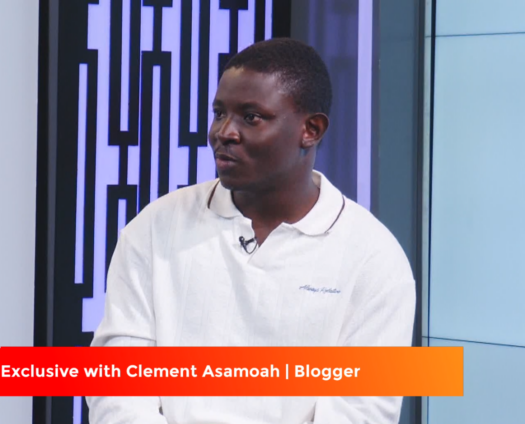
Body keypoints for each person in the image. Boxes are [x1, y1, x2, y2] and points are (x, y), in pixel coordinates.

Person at [87, 38, 415, 424]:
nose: (224, 132)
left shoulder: (375, 259)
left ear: (311, 129)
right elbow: (118, 386)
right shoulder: (155, 227)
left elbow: (362, 412)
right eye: (219, 113)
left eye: (251, 117)